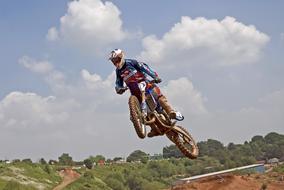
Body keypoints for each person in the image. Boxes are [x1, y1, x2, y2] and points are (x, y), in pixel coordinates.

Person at [109, 48, 184, 137]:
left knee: (160, 98)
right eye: (113, 61)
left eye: (116, 59)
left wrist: (155, 76)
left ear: (121, 56)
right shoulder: (119, 71)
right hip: (136, 95)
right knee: (137, 116)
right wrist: (119, 89)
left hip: (147, 86)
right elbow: (118, 82)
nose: (115, 62)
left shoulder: (132, 62)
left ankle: (171, 112)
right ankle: (153, 128)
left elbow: (145, 68)